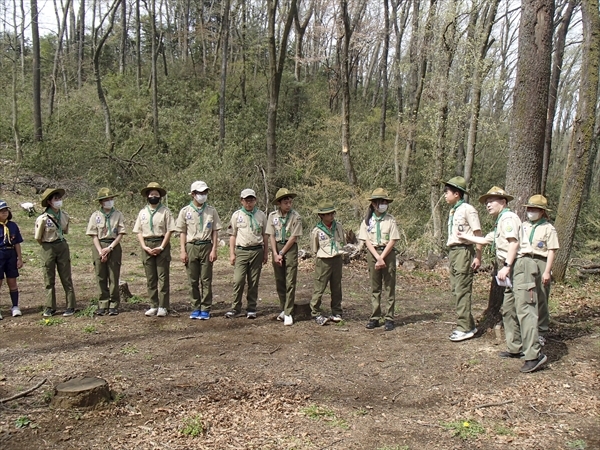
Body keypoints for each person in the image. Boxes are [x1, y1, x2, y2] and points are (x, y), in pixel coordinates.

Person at [458, 186, 547, 373]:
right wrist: (463, 236)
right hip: (513, 269)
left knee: (525, 311)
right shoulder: (500, 221)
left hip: (520, 266)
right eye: (486, 202)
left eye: (492, 201)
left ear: (503, 202)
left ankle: (534, 355)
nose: (488, 204)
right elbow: (486, 240)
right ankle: (515, 347)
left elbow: (514, 243)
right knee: (508, 309)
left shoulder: (508, 218)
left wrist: (506, 266)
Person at [443, 176, 483, 342]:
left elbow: (478, 233)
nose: (445, 195)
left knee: (462, 289)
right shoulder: (454, 210)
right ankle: (469, 324)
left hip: (464, 251)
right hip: (453, 252)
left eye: (447, 192)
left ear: (457, 194)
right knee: (456, 289)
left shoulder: (468, 209)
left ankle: (464, 327)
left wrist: (478, 256)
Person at [176, 181, 222, 320]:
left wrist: (214, 249)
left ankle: (206, 308)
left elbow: (215, 231)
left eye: (205, 193)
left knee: (206, 279)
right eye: (200, 193)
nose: (203, 195)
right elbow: (182, 232)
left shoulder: (211, 210)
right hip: (191, 246)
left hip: (207, 245)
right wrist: (182, 250)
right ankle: (195, 307)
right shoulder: (185, 211)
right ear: (193, 194)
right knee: (193, 279)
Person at [359, 188, 400, 331]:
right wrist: (377, 257)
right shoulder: (366, 221)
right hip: (373, 254)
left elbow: (393, 239)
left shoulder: (390, 220)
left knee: (389, 286)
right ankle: (375, 316)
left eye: (385, 202)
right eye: (381, 202)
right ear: (374, 204)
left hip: (387, 253)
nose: (383, 204)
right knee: (375, 287)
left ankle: (389, 317)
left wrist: (382, 257)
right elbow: (366, 241)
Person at [132, 182, 176, 317]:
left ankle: (163, 305)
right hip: (147, 244)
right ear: (147, 196)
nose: (153, 196)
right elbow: (138, 231)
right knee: (151, 277)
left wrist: (162, 246)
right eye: (151, 194)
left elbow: (169, 230)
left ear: (160, 196)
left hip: (161, 243)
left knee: (162, 277)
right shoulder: (142, 212)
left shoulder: (165, 211)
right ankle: (153, 305)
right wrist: (144, 247)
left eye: (156, 194)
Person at [522, 194, 559, 345]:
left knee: (541, 297)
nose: (531, 211)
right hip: (525, 260)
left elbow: (552, 250)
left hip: (541, 261)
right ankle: (527, 329)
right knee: (527, 295)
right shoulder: (524, 225)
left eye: (534, 209)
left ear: (542, 211)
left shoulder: (548, 228)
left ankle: (541, 330)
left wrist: (547, 271)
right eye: (529, 208)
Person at [226, 189, 268, 319]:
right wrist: (232, 253)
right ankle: (235, 308)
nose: (249, 203)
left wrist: (266, 253)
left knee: (253, 281)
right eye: (246, 200)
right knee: (238, 280)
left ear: (255, 200)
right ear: (241, 201)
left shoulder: (261, 215)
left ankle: (251, 307)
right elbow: (232, 236)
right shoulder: (237, 215)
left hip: (257, 250)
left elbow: (265, 236)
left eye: (251, 200)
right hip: (242, 251)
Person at [35, 188, 77, 317]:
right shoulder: (42, 218)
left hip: (62, 245)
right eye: (55, 199)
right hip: (48, 247)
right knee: (49, 277)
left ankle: (71, 305)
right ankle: (50, 306)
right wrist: (48, 246)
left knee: (66, 277)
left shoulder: (64, 215)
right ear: (49, 202)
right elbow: (38, 237)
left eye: (59, 199)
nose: (58, 201)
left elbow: (65, 230)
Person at [86, 188, 126, 316]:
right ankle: (103, 303)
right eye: (107, 200)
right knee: (101, 275)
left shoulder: (118, 214)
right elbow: (93, 235)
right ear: (101, 202)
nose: (110, 202)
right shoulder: (95, 215)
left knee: (113, 276)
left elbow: (121, 233)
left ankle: (114, 304)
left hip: (113, 245)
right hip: (99, 245)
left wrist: (110, 248)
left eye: (111, 199)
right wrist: (100, 251)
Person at [266, 188, 302, 326]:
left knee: (290, 280)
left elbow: (293, 237)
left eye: (290, 202)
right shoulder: (272, 216)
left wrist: (281, 253)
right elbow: (272, 235)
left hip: (290, 248)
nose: (288, 205)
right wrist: (275, 253)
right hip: (277, 247)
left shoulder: (296, 216)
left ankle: (288, 312)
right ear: (279, 203)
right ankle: (283, 307)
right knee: (279, 279)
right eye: (285, 202)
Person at [309, 201, 345, 325]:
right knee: (319, 287)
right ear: (321, 216)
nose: (331, 216)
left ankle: (336, 311)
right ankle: (315, 313)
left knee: (336, 287)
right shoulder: (317, 230)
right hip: (323, 260)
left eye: (332, 213)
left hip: (337, 258)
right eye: (328, 214)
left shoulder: (338, 226)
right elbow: (314, 248)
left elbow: (342, 241)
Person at [0, 201, 24, 319]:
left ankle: (15, 306)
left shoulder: (12, 225)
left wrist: (19, 258)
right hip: (0, 254)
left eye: (6, 210)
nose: (4, 212)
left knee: (12, 282)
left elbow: (17, 243)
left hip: (11, 254)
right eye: (2, 210)